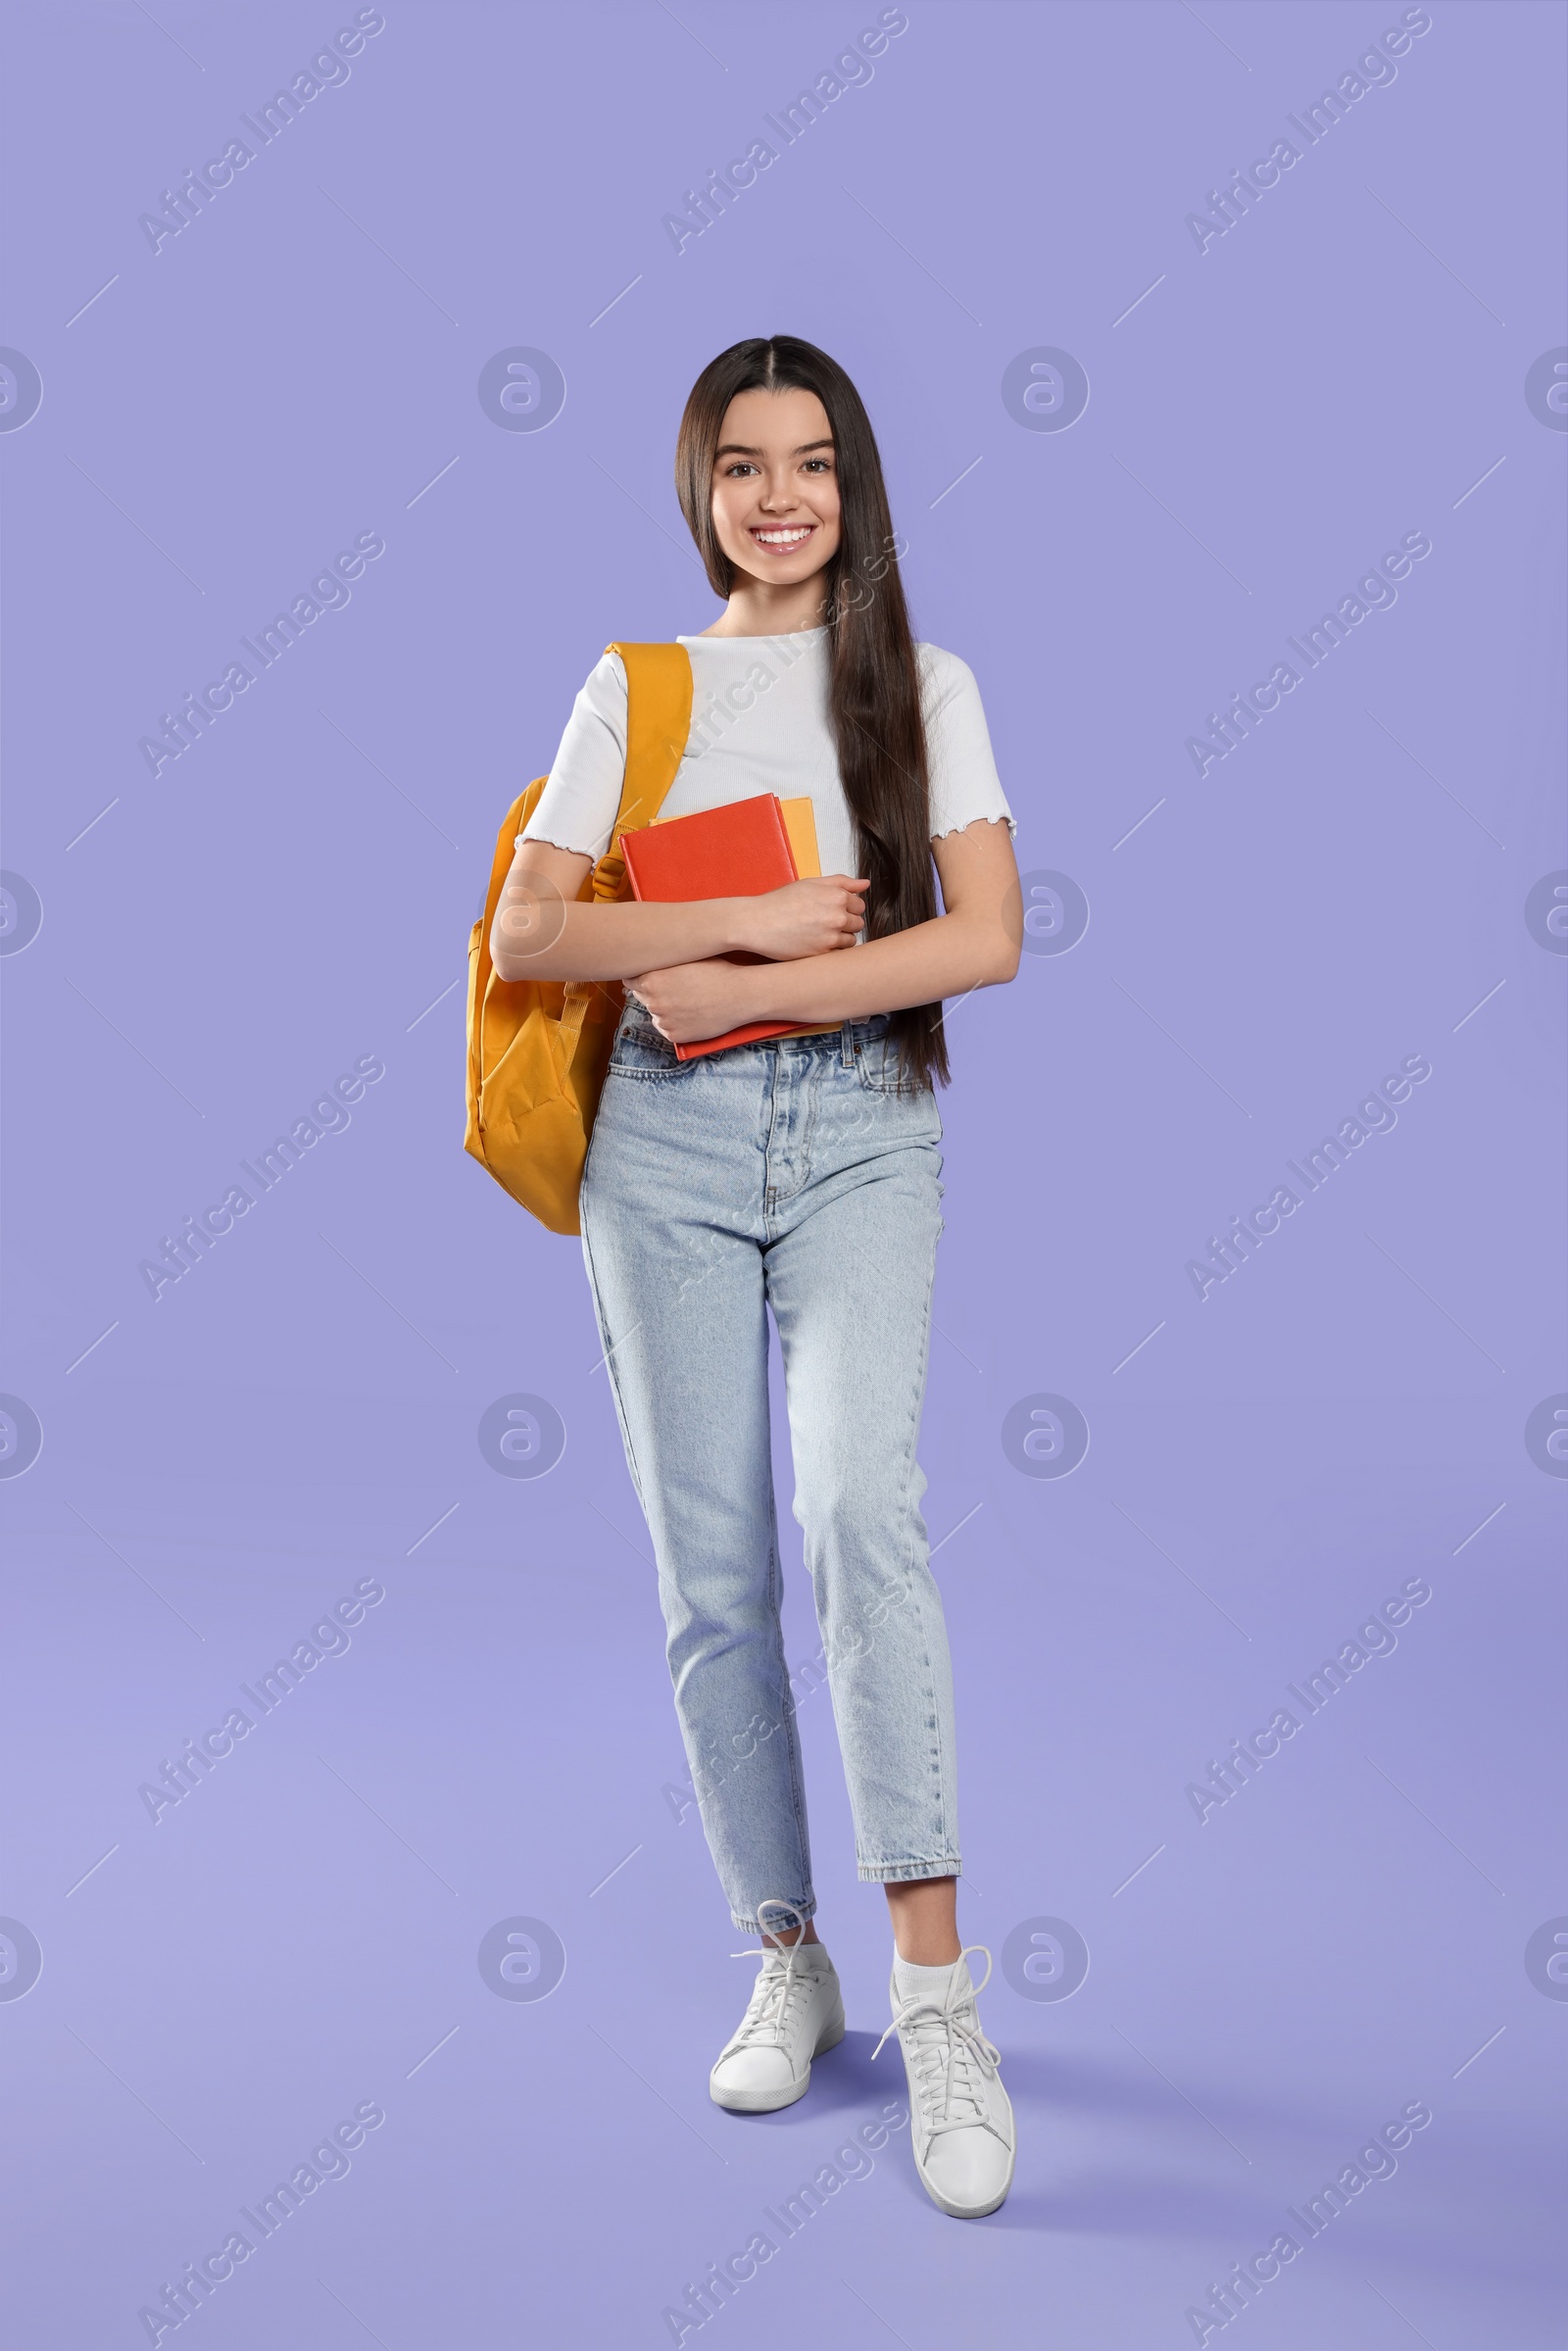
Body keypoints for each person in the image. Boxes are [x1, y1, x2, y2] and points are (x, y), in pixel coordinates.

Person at [490, 336, 1022, 2219]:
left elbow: (989, 939)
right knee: (710, 1568)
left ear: (855, 482)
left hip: (867, 1126)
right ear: (700, 487)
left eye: (812, 461)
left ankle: (937, 1999)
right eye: (742, 464)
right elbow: (534, 924)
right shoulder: (636, 688)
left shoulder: (918, 682)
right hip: (669, 1146)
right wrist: (729, 925)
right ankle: (785, 1953)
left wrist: (760, 989)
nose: (780, 495)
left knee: (860, 1515)